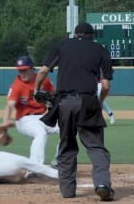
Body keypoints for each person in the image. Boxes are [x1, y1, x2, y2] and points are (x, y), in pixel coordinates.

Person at [34, 22, 114, 201]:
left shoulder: (61, 46)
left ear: (74, 34)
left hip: (64, 103)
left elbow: (43, 72)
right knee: (95, 147)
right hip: (88, 101)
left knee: (67, 147)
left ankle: (68, 191)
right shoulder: (100, 50)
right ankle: (102, 184)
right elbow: (106, 86)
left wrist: (35, 89)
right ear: (91, 36)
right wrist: (98, 103)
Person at [1, 56, 59, 170]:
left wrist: (53, 99)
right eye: (20, 70)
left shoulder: (43, 80)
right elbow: (9, 106)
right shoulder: (17, 85)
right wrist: (3, 130)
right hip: (25, 120)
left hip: (44, 117)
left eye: (25, 69)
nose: (22, 72)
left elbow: (54, 94)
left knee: (68, 126)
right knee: (40, 133)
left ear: (32, 69)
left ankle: (59, 161)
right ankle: (35, 168)